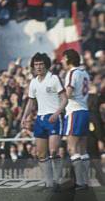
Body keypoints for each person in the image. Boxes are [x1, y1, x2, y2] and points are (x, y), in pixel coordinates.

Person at [21, 53, 67, 191]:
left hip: (53, 118)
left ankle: (57, 181)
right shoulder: (34, 82)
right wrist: (24, 116)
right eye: (36, 64)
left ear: (46, 64)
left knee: (53, 151)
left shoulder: (53, 79)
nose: (39, 67)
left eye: (41, 64)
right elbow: (31, 101)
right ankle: (48, 183)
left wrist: (57, 113)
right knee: (41, 154)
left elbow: (64, 99)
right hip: (40, 119)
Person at [61, 49, 91, 190]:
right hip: (84, 110)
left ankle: (79, 182)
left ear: (68, 59)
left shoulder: (72, 73)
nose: (62, 61)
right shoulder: (84, 73)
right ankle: (85, 181)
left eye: (63, 58)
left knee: (72, 147)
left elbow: (68, 93)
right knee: (83, 149)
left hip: (75, 111)